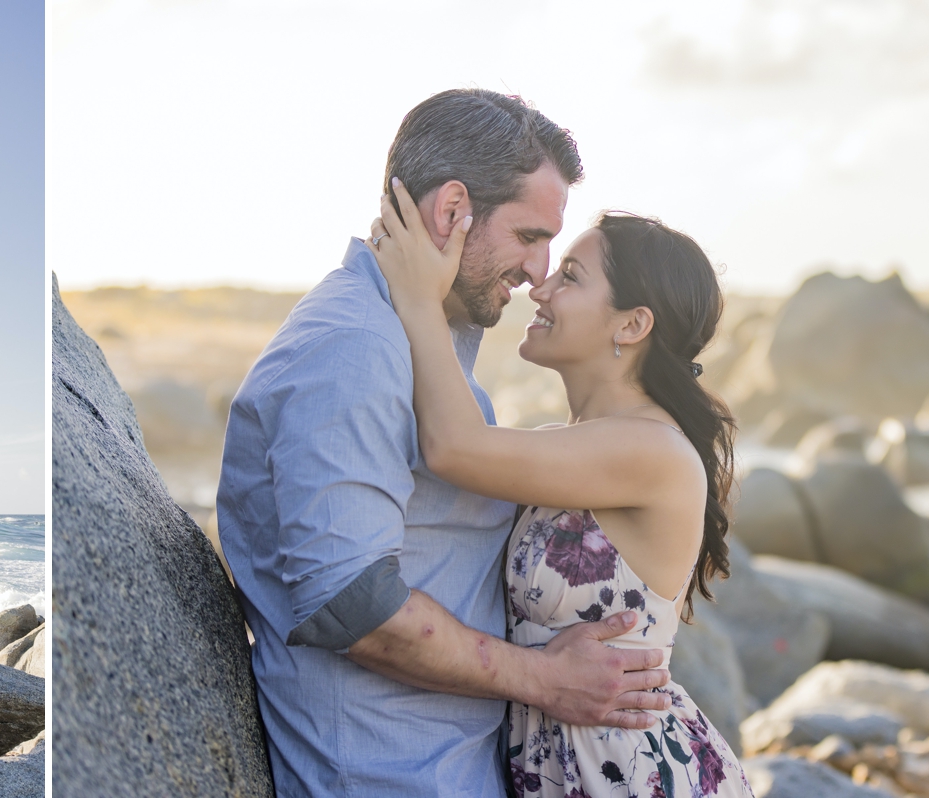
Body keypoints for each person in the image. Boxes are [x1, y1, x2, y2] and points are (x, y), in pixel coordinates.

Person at [215, 89, 671, 797]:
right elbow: (356, 604)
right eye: (529, 237)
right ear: (452, 211)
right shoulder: (353, 350)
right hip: (384, 776)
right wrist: (545, 679)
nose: (539, 272)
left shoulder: (415, 345)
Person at [370, 182, 752, 794]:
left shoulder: (650, 450)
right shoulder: (575, 446)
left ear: (631, 324)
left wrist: (420, 296)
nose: (539, 287)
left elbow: (453, 446)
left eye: (570, 276)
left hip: (632, 775)